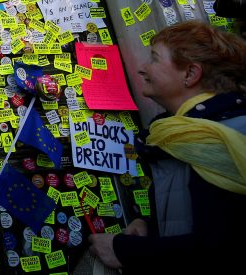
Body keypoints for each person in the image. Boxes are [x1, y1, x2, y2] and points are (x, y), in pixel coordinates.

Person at [88, 21, 246, 272]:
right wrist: (151, 226)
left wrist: (125, 251)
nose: (141, 68)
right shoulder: (177, 136)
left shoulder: (222, 139)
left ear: (190, 74)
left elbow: (222, 250)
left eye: (154, 58)